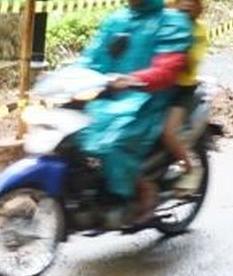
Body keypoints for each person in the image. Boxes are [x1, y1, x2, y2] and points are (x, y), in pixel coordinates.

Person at [74, 0, 192, 225]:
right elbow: (91, 59)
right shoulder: (117, 20)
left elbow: (168, 68)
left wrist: (135, 79)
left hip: (147, 100)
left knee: (113, 142)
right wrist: (67, 77)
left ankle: (145, 190)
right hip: (108, 97)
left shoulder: (172, 22)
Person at [161, 0, 206, 194]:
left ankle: (191, 168)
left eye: (192, 1)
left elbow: (191, 63)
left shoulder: (198, 31)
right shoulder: (163, 20)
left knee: (167, 132)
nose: (187, 4)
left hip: (182, 89)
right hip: (158, 85)